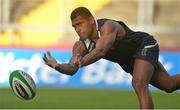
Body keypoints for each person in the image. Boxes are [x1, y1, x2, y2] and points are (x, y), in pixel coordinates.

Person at [43, 7, 180, 109]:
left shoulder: (108, 26)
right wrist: (58, 66)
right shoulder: (80, 46)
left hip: (144, 45)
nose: (77, 29)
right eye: (74, 26)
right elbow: (72, 68)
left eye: (80, 24)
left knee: (138, 83)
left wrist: (82, 61)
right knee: (169, 85)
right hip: (131, 61)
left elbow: (101, 50)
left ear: (91, 20)